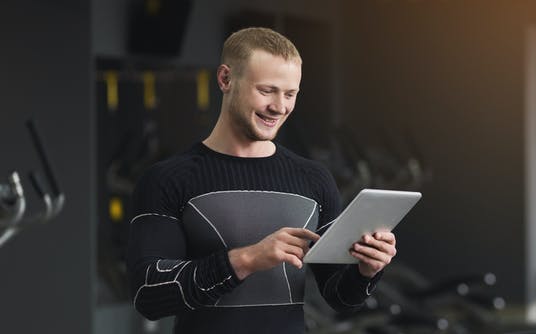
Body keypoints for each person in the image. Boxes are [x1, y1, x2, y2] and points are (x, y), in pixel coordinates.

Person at [126, 27, 397, 333]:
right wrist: (248, 259)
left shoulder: (314, 179)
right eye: (267, 90)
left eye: (290, 94)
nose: (279, 106)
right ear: (225, 79)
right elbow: (147, 295)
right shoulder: (167, 179)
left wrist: (367, 270)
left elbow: (340, 298)